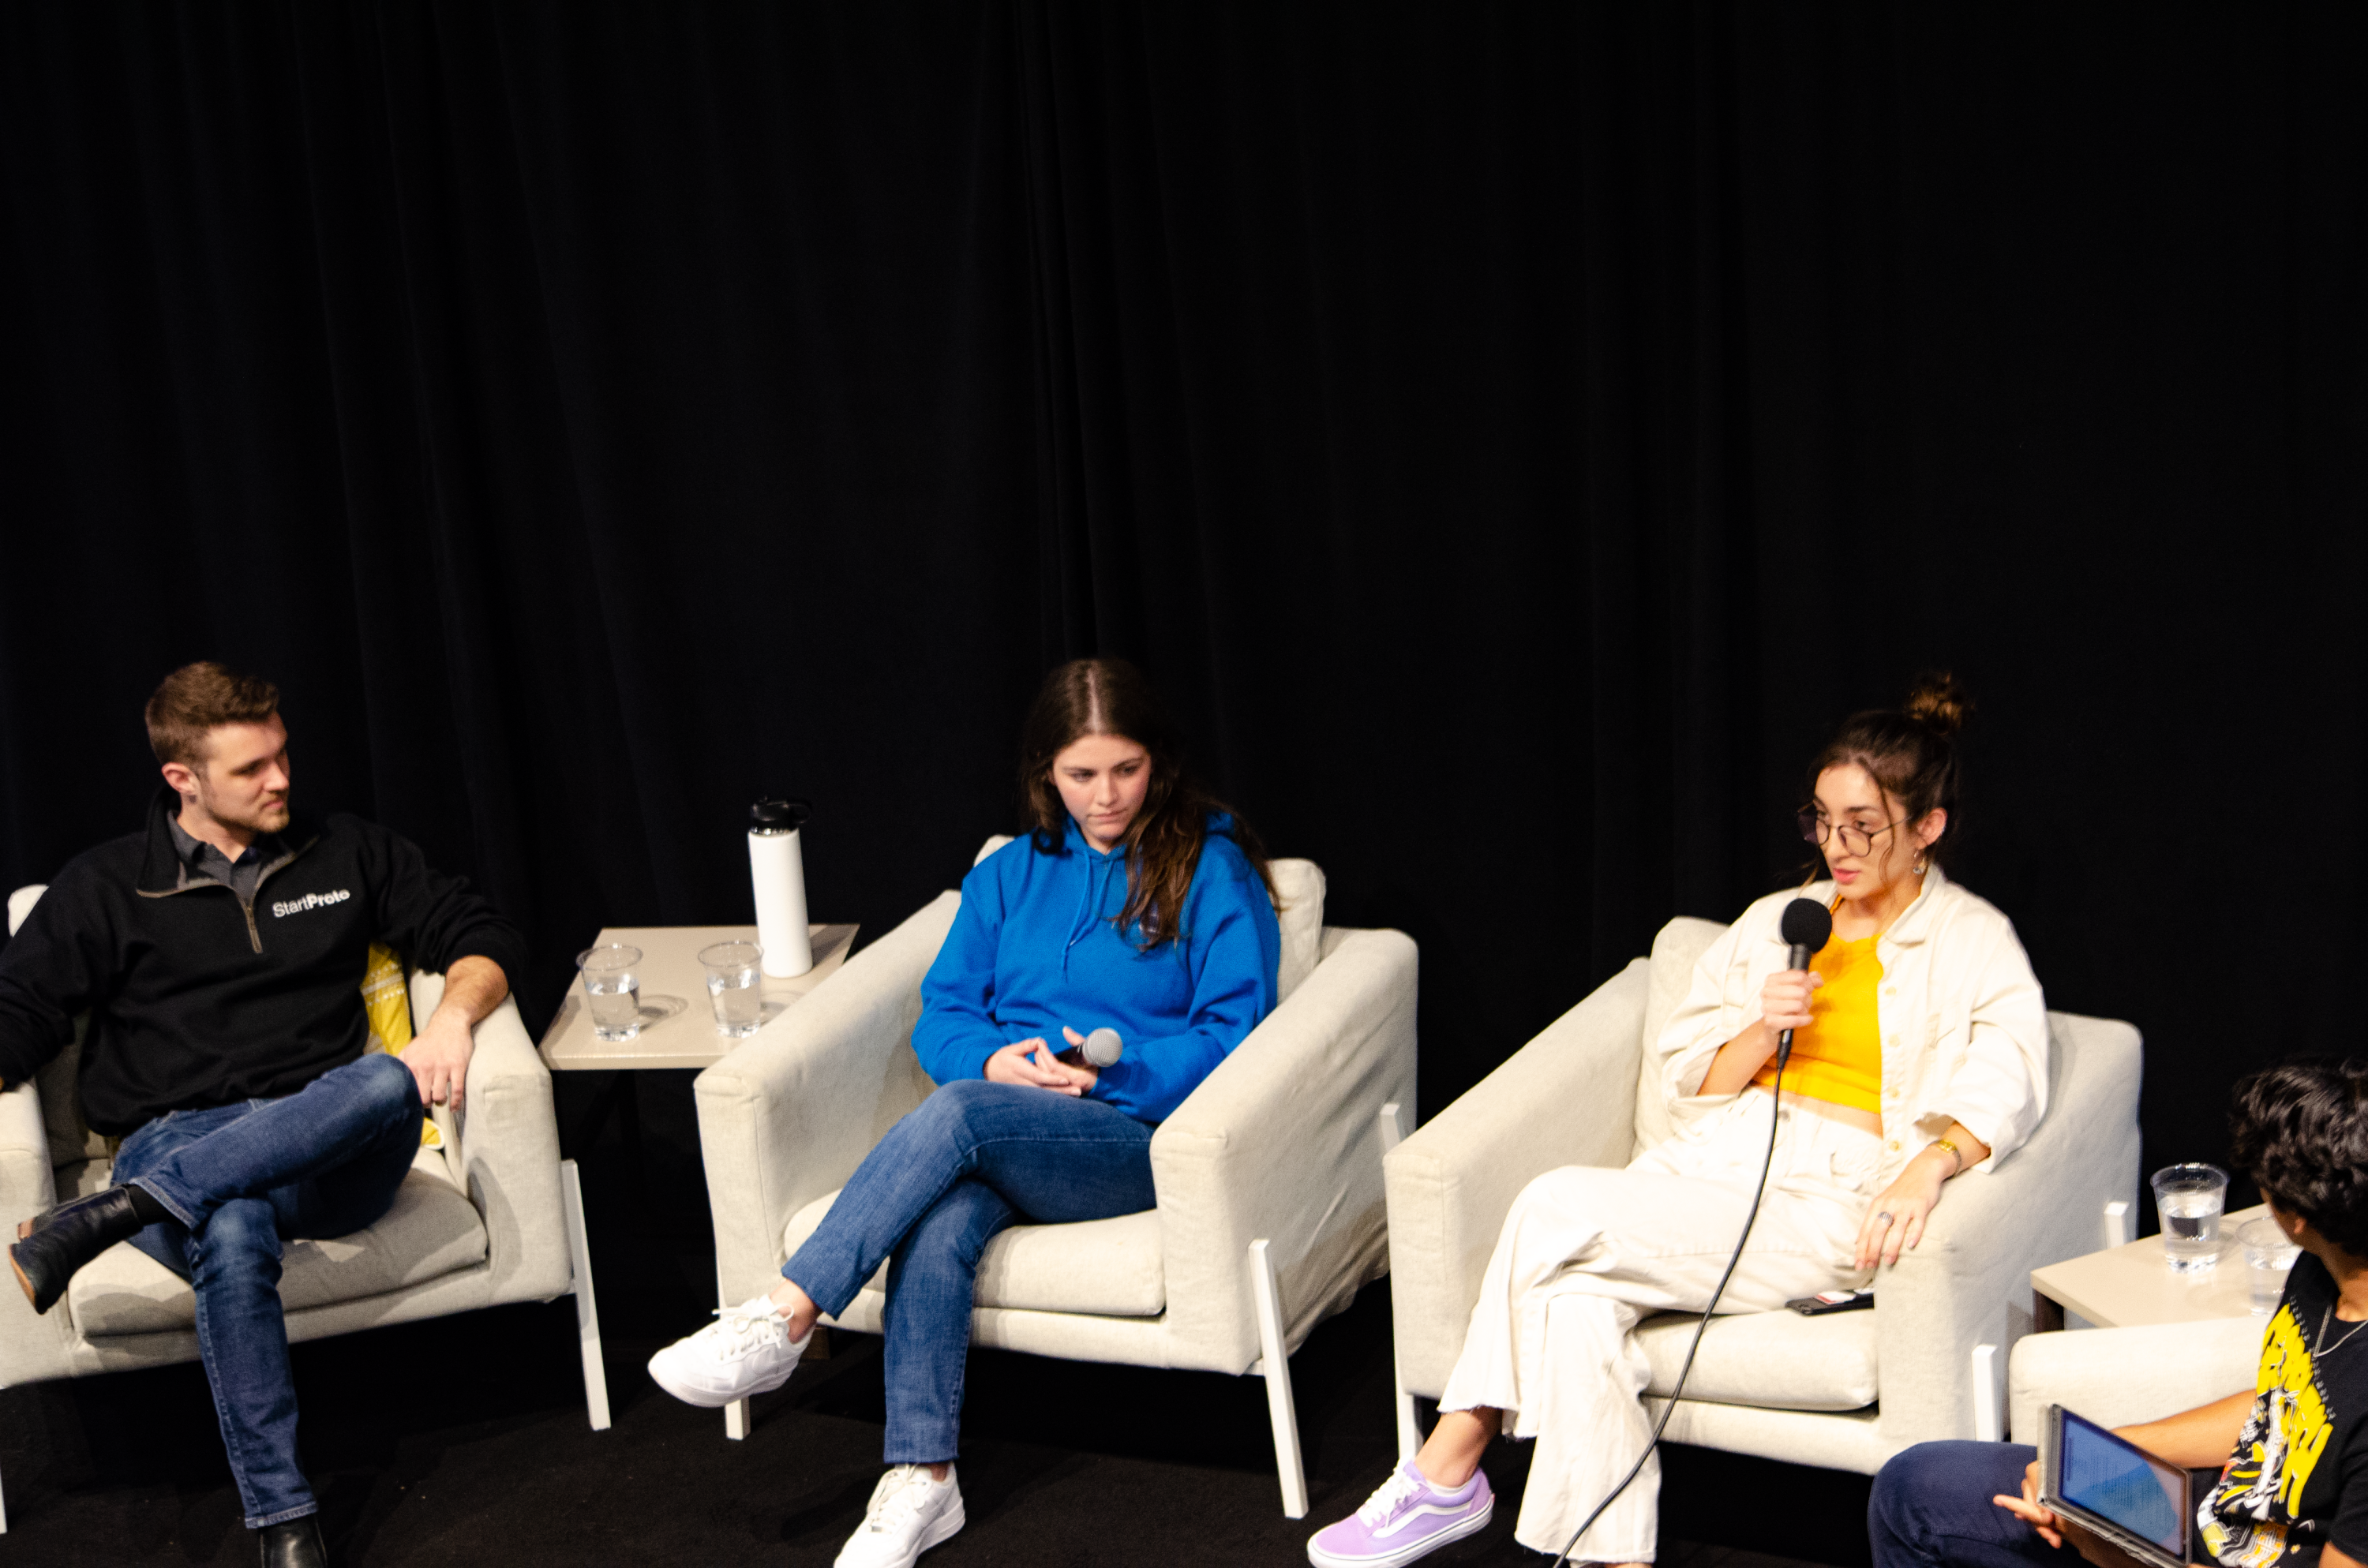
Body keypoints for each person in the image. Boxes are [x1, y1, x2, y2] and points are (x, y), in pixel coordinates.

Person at [1310, 676, 2049, 1568]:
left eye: (1864, 824)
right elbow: (1689, 1071)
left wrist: (1931, 1163)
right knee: (1576, 1300)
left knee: (1551, 1208)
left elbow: (2013, 1072)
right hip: (1720, 1153)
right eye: (1821, 819)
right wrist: (1759, 1029)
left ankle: (1448, 1468)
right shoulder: (1783, 920)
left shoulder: (1974, 937)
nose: (1837, 846)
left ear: (1927, 826)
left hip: (1838, 1184)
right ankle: (1613, 1559)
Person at [646, 656, 1283, 1568]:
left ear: (1160, 763)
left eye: (1127, 769)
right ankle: (924, 1478)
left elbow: (1234, 1033)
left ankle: (785, 1314)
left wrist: (1112, 1074)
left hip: (1133, 1137)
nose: (1107, 796)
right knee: (941, 1215)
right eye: (1082, 775)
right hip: (1007, 1119)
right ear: (1045, 775)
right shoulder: (1009, 875)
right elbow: (945, 1012)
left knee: (961, 1117)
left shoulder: (1211, 868)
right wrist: (994, 1058)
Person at [0, 663, 523, 1568]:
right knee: (233, 1222)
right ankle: (287, 1524)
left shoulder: (344, 850)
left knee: (389, 1082)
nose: (282, 779)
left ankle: (122, 1211)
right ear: (183, 780)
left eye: (282, 756)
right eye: (253, 769)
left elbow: (477, 932)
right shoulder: (105, 886)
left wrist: (451, 1019)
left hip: (331, 1141)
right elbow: (21, 1013)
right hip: (179, 1129)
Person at [1870, 1058, 2368, 1568]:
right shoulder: (2321, 1267)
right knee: (1915, 1486)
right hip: (2207, 1511)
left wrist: (2109, 1551)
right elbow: (2282, 1405)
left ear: (2300, 1215)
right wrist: (2093, 1463)